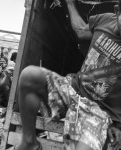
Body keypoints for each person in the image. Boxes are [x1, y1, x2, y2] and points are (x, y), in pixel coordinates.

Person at [15, 0, 121, 150]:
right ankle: (29, 142)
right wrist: (70, 3)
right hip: (73, 90)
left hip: (100, 113)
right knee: (29, 75)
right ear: (117, 11)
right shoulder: (105, 20)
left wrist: (119, 125)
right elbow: (80, 31)